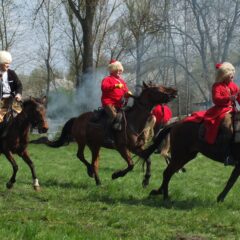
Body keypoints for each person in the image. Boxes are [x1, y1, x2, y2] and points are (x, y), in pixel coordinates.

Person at [184, 62, 240, 165]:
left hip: (232, 110)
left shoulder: (234, 86)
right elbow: (216, 99)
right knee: (228, 129)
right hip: (220, 111)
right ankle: (226, 155)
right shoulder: (217, 86)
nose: (233, 76)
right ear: (224, 75)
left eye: (233, 74)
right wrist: (228, 98)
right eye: (230, 75)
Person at [101, 59, 132, 131]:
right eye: (116, 70)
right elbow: (104, 88)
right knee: (114, 116)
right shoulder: (107, 79)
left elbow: (126, 91)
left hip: (119, 104)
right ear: (112, 70)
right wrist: (115, 86)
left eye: (120, 70)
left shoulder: (122, 81)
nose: (118, 72)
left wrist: (128, 93)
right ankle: (107, 135)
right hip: (108, 103)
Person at [0, 50, 22, 123]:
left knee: (21, 115)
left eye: (9, 63)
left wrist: (18, 94)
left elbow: (19, 85)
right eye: (6, 63)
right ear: (1, 63)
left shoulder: (12, 73)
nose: (8, 65)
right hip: (1, 101)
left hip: (11, 99)